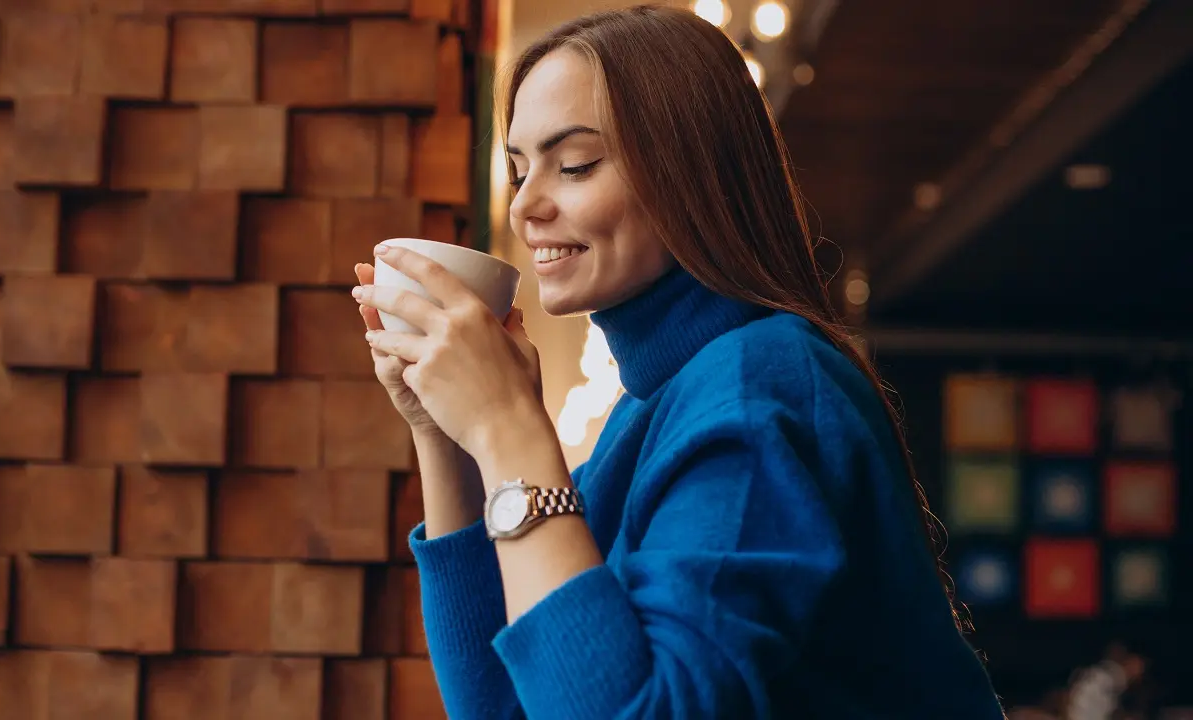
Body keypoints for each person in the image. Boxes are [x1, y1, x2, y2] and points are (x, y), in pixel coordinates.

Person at [353, 4, 1006, 718]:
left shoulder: (762, 391)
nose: (525, 207)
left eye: (574, 165)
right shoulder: (651, 406)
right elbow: (503, 706)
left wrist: (509, 426)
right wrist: (444, 432)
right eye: (517, 170)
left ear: (690, 169)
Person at [1065, 642, 1147, 720]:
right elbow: (1081, 704)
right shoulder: (1104, 677)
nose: (1137, 674)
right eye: (1136, 666)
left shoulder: (1117, 687)